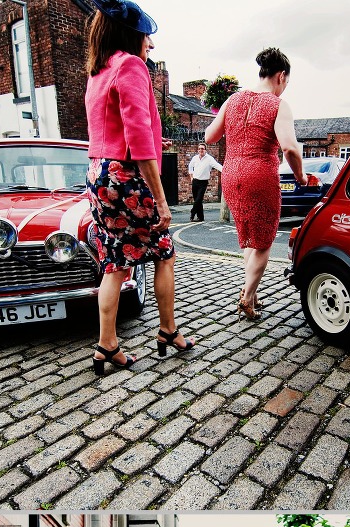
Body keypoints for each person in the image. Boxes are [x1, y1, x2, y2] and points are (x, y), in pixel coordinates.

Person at [84, 0, 195, 373]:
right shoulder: (131, 65)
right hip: (124, 175)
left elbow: (112, 132)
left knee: (114, 262)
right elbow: (139, 137)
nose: (151, 44)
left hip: (98, 173)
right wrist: (163, 202)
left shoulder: (98, 72)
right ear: (132, 34)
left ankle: (107, 345)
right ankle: (167, 331)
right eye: (147, 35)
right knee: (164, 251)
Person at [205, 47, 307, 320]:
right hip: (259, 174)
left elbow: (210, 136)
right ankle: (247, 298)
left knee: (249, 237)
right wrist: (301, 176)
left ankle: (253, 293)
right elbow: (290, 149)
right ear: (281, 76)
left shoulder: (233, 100)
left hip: (231, 174)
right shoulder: (278, 105)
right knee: (263, 242)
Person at [187, 143, 222, 220]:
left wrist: (226, 170)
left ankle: (192, 213)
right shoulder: (195, 158)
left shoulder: (209, 159)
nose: (200, 150)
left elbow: (217, 165)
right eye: (199, 149)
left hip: (203, 182)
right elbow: (190, 166)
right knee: (197, 200)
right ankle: (201, 217)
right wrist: (191, 177)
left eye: (202, 149)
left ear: (205, 150)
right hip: (195, 181)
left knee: (199, 199)